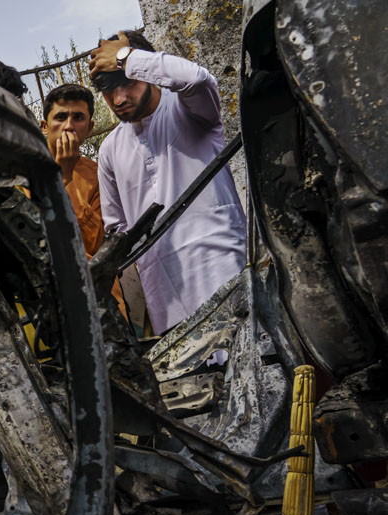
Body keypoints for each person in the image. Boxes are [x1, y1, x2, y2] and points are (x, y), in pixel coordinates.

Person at [89, 30, 245, 334]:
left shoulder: (189, 110)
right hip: (166, 301)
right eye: (108, 90)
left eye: (128, 82)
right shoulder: (110, 149)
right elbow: (117, 232)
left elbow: (198, 80)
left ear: (143, 70)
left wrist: (125, 57)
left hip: (224, 274)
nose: (119, 99)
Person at [40, 83, 127, 318]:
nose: (68, 126)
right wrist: (62, 175)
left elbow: (94, 248)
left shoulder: (100, 175)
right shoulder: (25, 173)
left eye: (77, 117)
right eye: (60, 117)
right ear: (45, 126)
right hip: (47, 306)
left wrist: (66, 175)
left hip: (99, 301)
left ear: (89, 127)